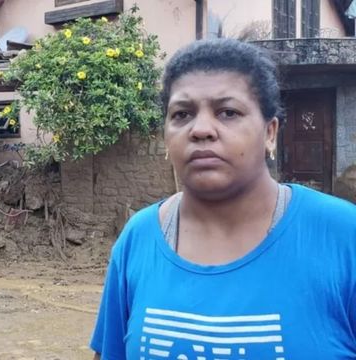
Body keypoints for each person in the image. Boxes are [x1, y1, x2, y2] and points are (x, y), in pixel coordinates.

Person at [90, 39, 356, 359]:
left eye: (228, 112)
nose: (201, 129)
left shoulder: (343, 236)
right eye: (182, 114)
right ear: (165, 136)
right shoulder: (139, 238)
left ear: (270, 132)